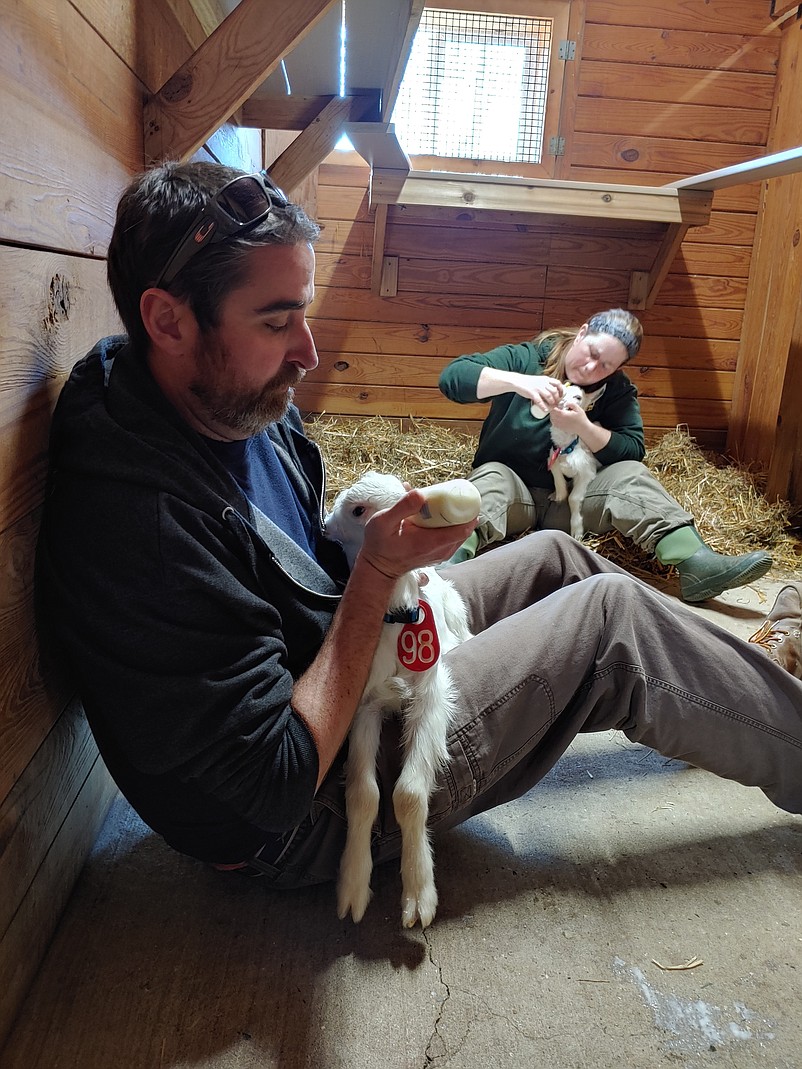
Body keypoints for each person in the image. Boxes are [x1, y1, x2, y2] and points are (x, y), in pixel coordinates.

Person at [36, 162, 802, 894]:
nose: (306, 350)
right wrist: (374, 578)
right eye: (277, 321)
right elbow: (270, 787)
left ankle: (746, 693)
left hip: (345, 667)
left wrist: (385, 563)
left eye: (302, 311)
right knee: (610, 623)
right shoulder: (148, 525)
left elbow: (301, 558)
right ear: (166, 320)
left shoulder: (217, 391)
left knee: (558, 558)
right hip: (309, 815)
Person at [438, 310, 773, 602]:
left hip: (573, 502)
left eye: (606, 365)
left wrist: (584, 426)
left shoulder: (616, 390)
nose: (590, 367)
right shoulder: (525, 359)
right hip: (515, 495)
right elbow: (453, 379)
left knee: (630, 474)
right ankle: (449, 562)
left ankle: (696, 562)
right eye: (591, 352)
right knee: (492, 476)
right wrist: (520, 383)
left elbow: (632, 449)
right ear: (582, 332)